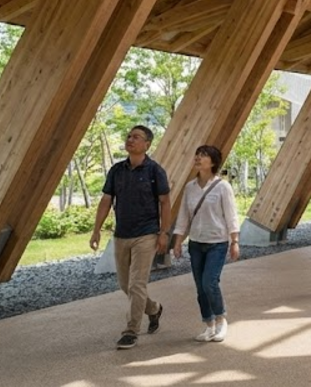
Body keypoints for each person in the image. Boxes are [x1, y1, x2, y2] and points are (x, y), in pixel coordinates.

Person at [89, 126, 170, 350]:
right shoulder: (116, 171)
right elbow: (106, 201)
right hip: (121, 234)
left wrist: (163, 232)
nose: (130, 139)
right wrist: (96, 230)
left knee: (137, 284)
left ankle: (131, 331)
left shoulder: (155, 171)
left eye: (136, 137)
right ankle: (153, 309)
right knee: (125, 285)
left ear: (147, 144)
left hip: (146, 234)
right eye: (129, 136)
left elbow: (164, 202)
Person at [171, 145, 239, 343]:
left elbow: (231, 215)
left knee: (209, 282)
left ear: (213, 162)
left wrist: (234, 241)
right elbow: (183, 216)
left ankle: (221, 320)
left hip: (217, 242)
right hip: (196, 243)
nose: (198, 158)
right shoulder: (190, 187)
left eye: (204, 155)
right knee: (200, 287)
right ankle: (208, 325)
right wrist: (177, 242)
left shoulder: (222, 187)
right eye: (197, 154)